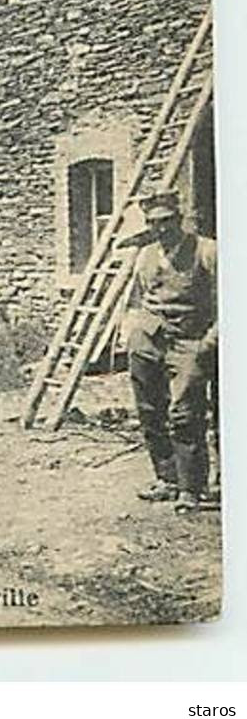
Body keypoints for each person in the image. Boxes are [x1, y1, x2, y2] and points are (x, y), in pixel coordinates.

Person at [120, 191, 219, 514]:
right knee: (150, 409)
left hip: (189, 340)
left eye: (166, 221)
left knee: (185, 413)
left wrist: (209, 342)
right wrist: (132, 335)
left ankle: (192, 487)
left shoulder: (207, 251)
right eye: (153, 223)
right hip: (148, 339)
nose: (161, 229)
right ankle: (167, 479)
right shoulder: (146, 255)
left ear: (179, 220)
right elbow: (136, 300)